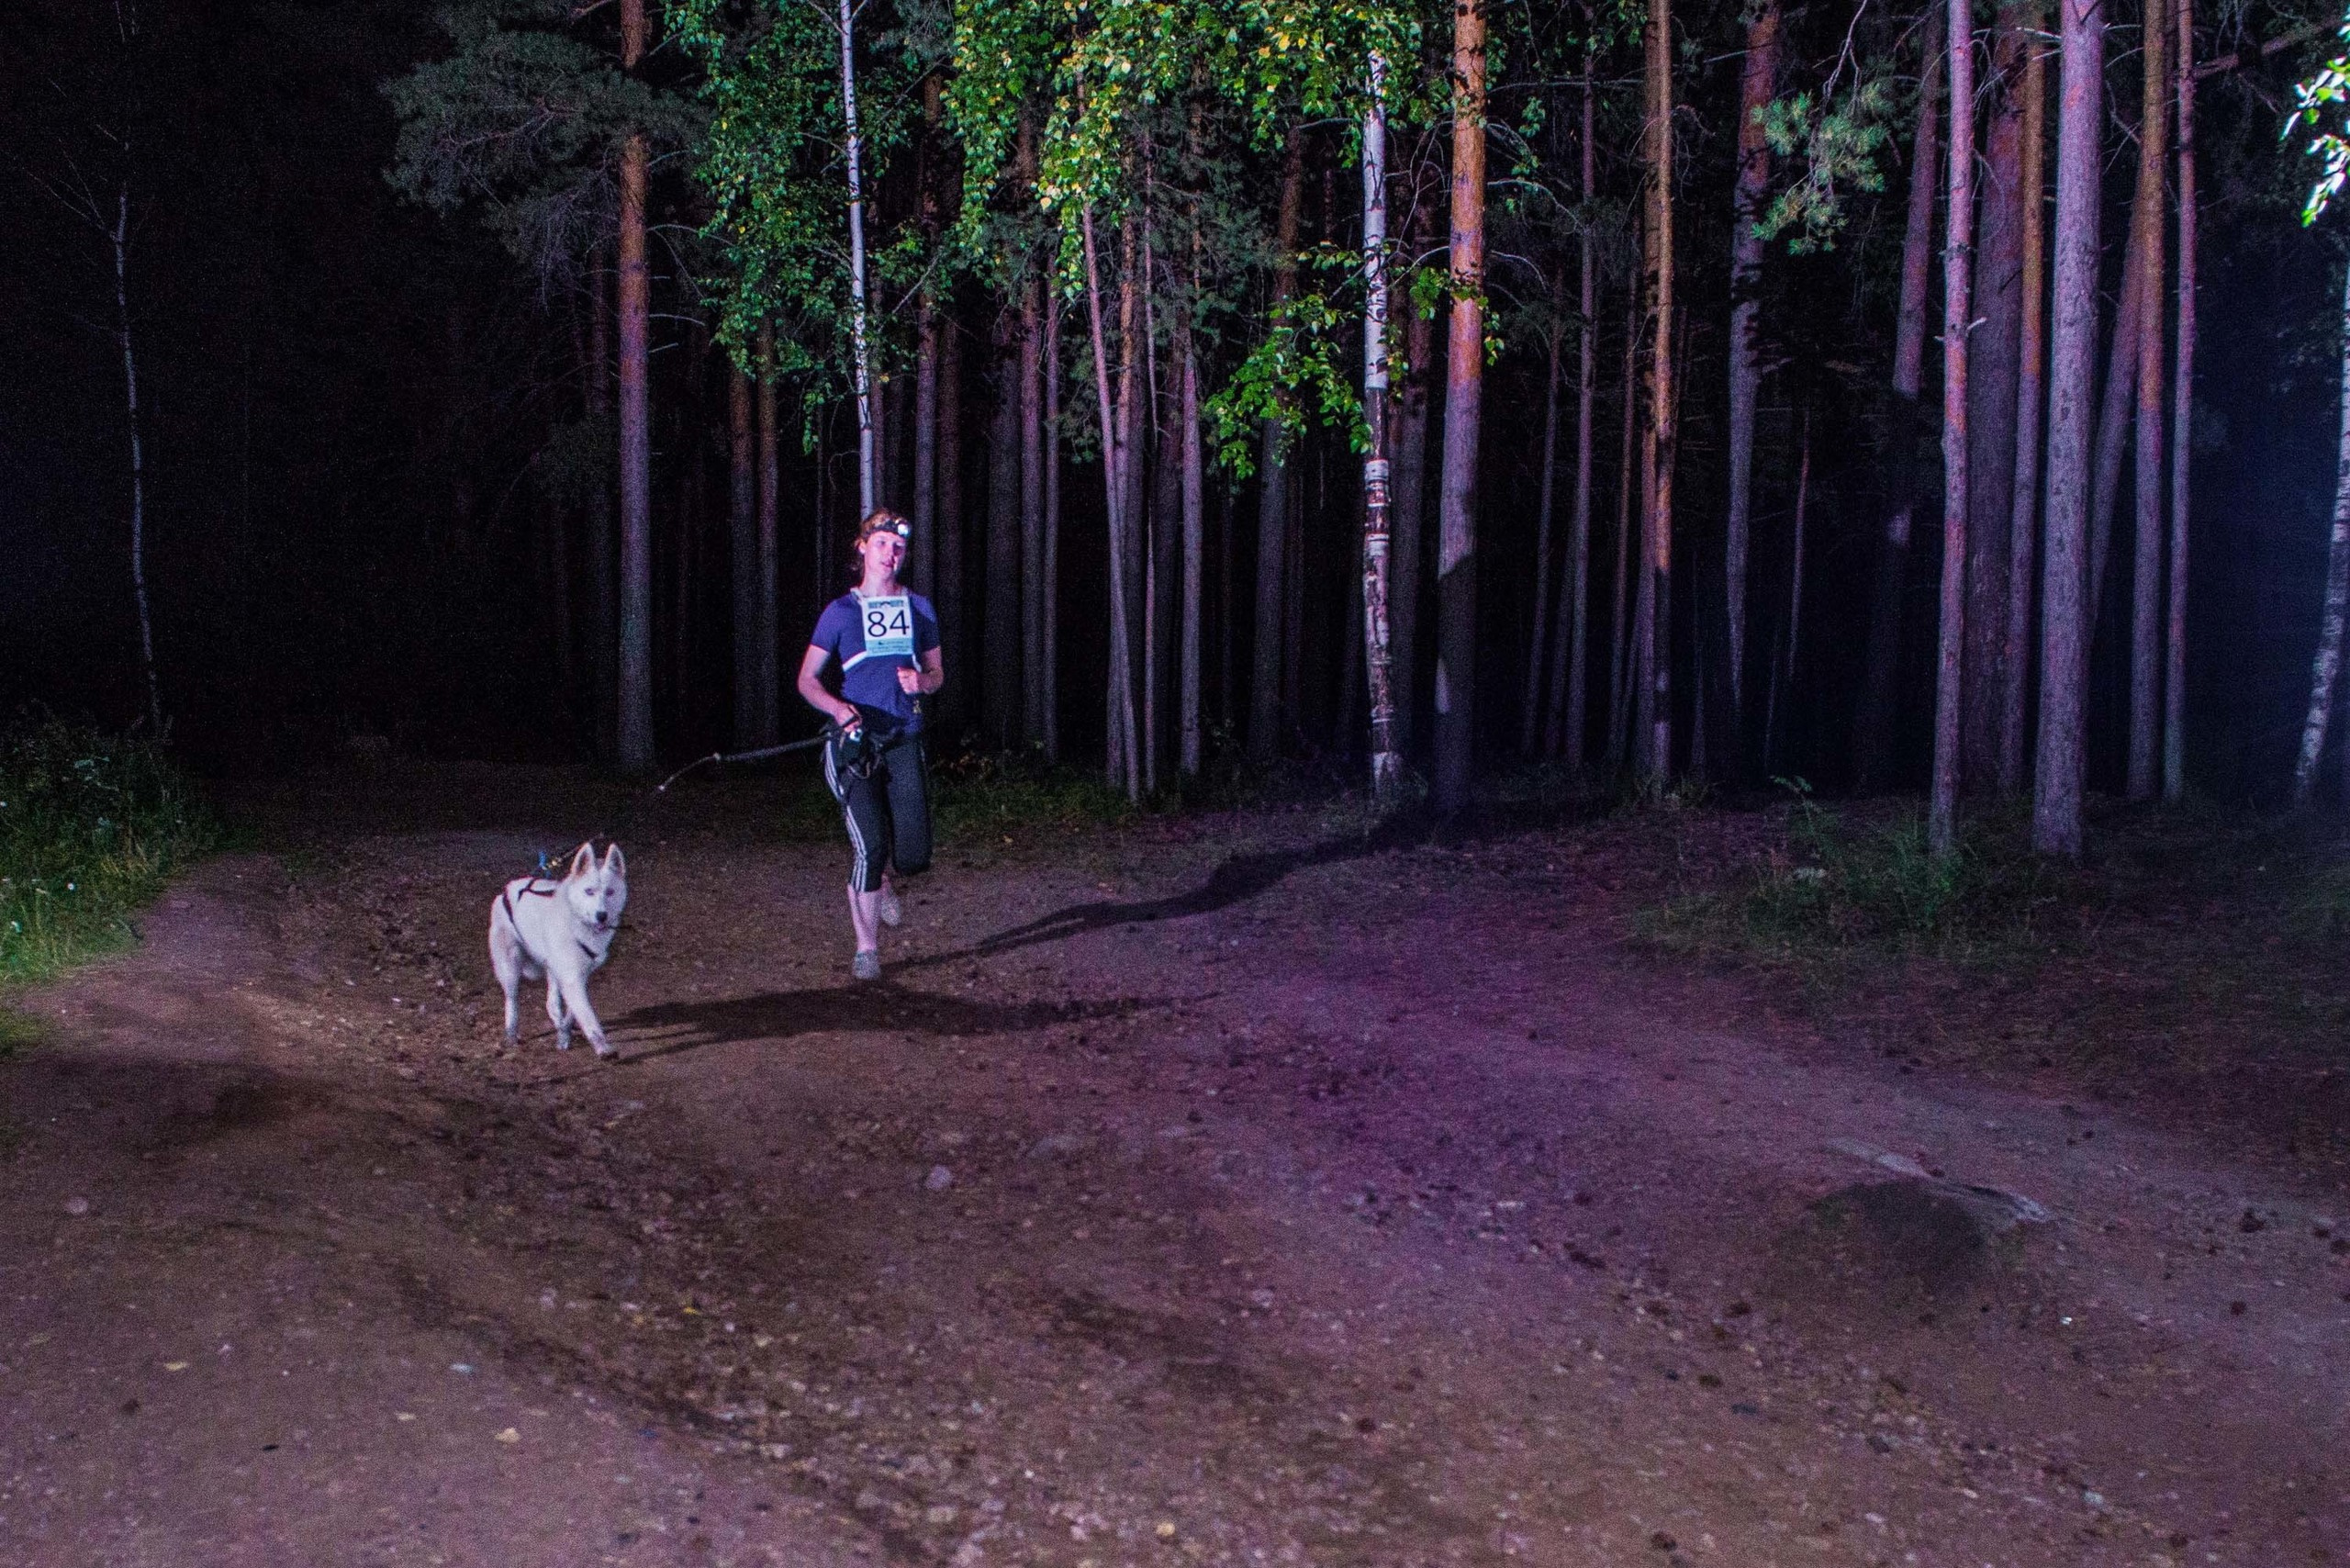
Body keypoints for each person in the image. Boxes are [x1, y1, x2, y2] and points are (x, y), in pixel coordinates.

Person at [797, 509, 944, 980]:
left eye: (898, 547)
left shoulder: (919, 608)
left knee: (915, 854)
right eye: (881, 544)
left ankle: (883, 879)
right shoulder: (840, 613)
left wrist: (923, 682)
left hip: (903, 737)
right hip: (853, 743)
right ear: (862, 547)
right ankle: (867, 948)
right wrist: (839, 709)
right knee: (870, 844)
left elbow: (938, 674)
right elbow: (806, 681)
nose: (890, 553)